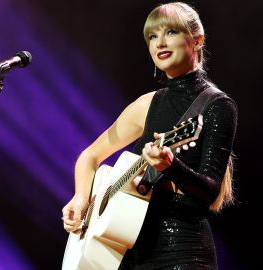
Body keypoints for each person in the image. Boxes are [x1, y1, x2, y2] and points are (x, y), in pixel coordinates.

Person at [62, 2, 238, 269]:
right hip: (127, 252)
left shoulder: (217, 105)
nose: (160, 43)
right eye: (152, 36)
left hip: (181, 249)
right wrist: (81, 199)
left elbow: (210, 192)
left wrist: (171, 166)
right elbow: (89, 156)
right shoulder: (146, 104)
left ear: (197, 40)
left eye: (171, 33)